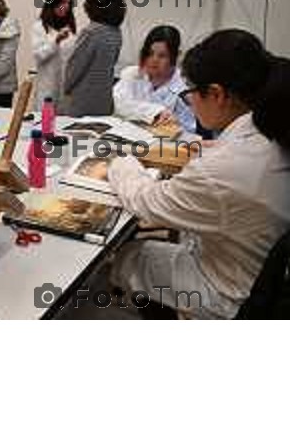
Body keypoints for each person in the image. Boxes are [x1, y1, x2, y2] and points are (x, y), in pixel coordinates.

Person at [107, 29, 290, 319]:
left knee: (125, 257)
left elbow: (146, 202)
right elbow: (231, 153)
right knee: (157, 247)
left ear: (216, 94)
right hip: (255, 271)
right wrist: (203, 148)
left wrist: (120, 161)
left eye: (190, 92)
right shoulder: (270, 130)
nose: (189, 100)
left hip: (228, 294)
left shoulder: (222, 170)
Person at [113, 24, 196, 133]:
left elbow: (189, 130)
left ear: (175, 56)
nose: (154, 60)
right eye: (150, 53)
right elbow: (115, 103)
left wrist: (174, 125)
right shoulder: (132, 74)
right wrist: (156, 112)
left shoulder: (184, 88)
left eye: (162, 56)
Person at [62, 0, 124, 116]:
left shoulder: (91, 32)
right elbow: (112, 62)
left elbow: (75, 68)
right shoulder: (116, 33)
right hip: (104, 100)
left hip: (83, 102)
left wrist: (66, 88)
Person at [32, 0, 76, 110]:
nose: (66, 6)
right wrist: (55, 41)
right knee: (45, 124)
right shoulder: (39, 27)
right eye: (62, 2)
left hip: (66, 89)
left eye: (68, 3)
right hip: (47, 87)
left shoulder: (70, 28)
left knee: (63, 126)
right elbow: (38, 56)